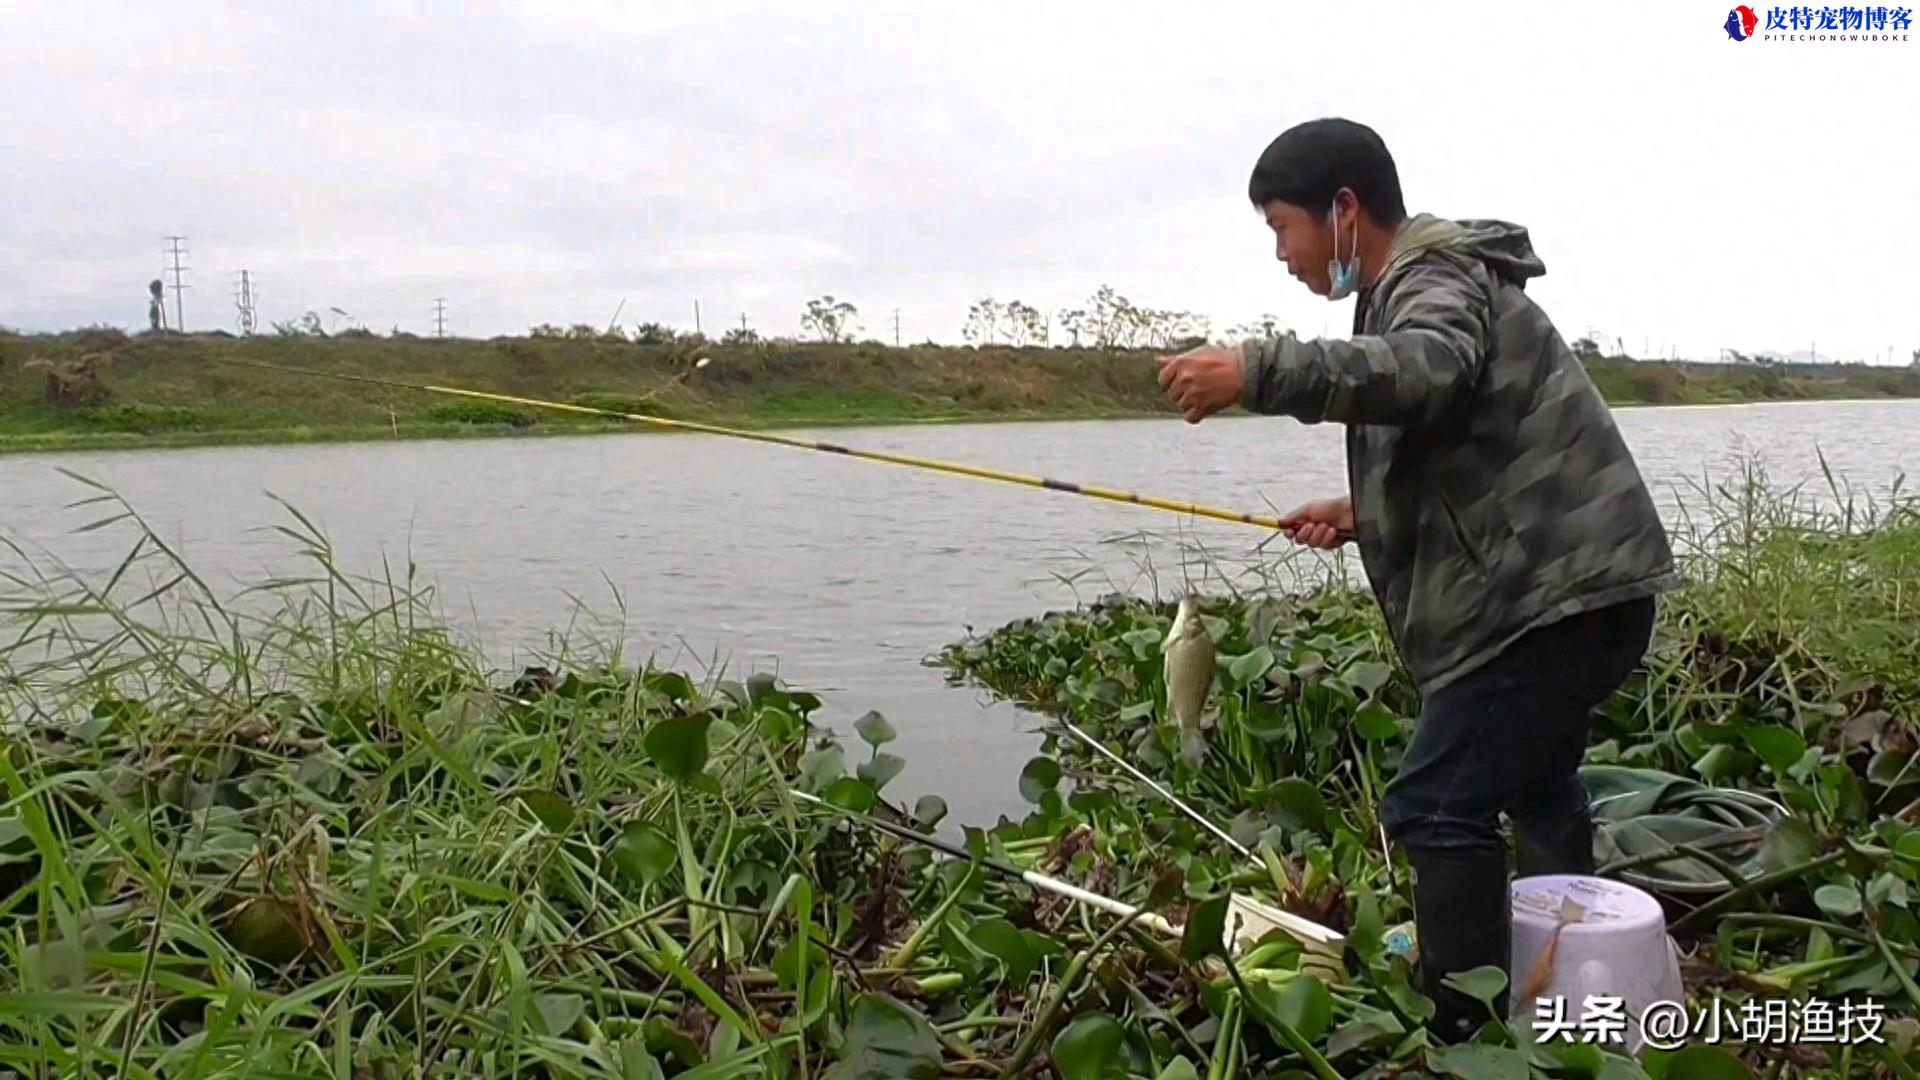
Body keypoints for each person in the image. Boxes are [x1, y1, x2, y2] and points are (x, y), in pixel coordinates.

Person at [1156, 117, 1681, 1043]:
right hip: (1578, 592)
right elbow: (1468, 432)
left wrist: (1258, 368)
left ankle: (1464, 1032)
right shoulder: (1417, 287)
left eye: (1283, 227)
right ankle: (1557, 982)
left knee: (1435, 805)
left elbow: (1426, 373)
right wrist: (1360, 511)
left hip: (1548, 604)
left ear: (1345, 209)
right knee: (1540, 782)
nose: (1280, 253)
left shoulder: (1431, 278)